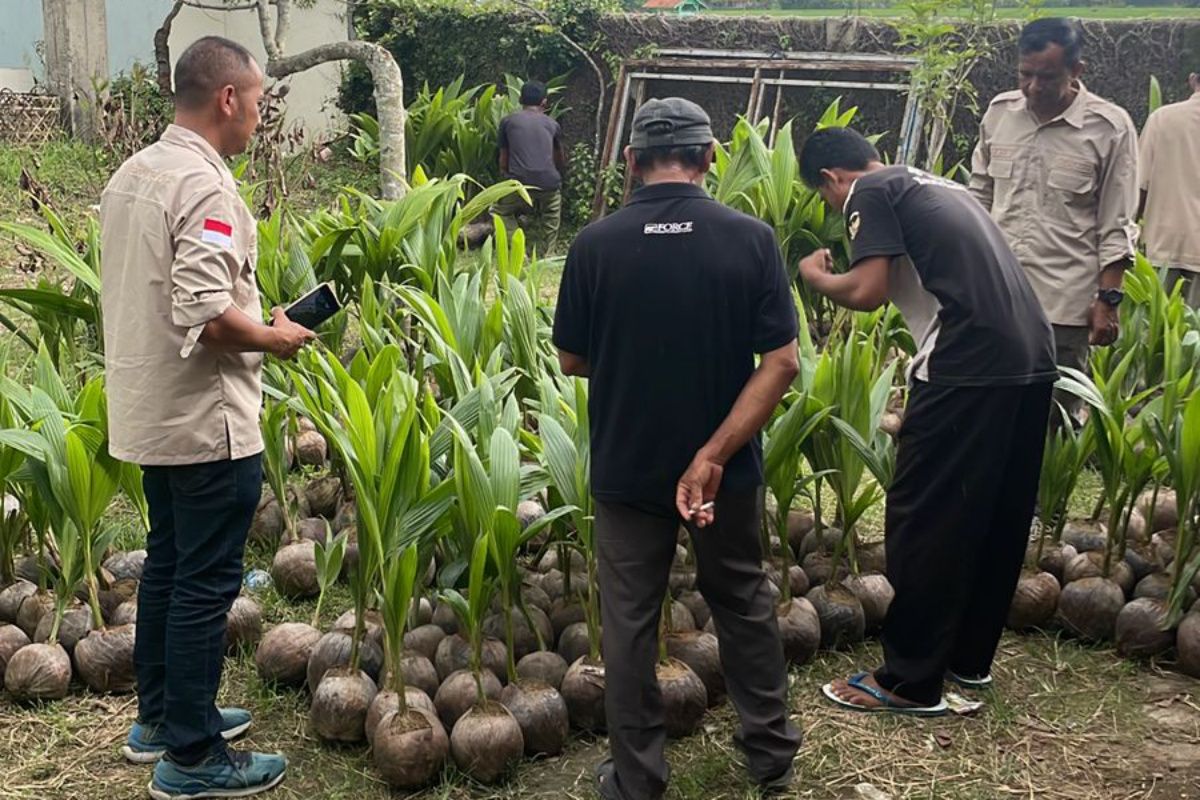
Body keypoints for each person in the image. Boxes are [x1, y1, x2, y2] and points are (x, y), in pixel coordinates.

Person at [552, 97, 802, 799]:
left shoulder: (594, 245)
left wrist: (639, 361)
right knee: (743, 599)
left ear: (630, 162)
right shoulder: (750, 239)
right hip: (725, 474)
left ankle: (637, 779)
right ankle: (771, 754)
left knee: (629, 622)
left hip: (629, 465)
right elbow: (781, 363)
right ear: (709, 156)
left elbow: (572, 358)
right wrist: (713, 454)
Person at [100, 36, 314, 800]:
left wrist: (259, 316)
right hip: (207, 420)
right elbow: (206, 314)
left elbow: (170, 293)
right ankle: (191, 757)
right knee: (204, 583)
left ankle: (161, 718)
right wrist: (276, 336)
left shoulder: (135, 173)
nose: (260, 115)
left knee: (168, 563)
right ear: (229, 97)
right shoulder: (204, 184)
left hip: (151, 410)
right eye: (258, 100)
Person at [797, 128, 1057, 714]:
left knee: (926, 516)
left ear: (832, 179)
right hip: (1033, 357)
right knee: (994, 513)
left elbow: (867, 290)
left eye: (826, 198)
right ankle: (967, 660)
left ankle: (908, 681)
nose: (836, 209)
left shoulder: (869, 189)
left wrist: (814, 276)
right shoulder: (939, 184)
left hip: (966, 360)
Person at [970, 17, 1138, 420]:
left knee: (1053, 421)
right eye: (1025, 75)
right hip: (997, 297)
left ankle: (1046, 486)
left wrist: (1108, 301)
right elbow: (978, 199)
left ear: (1076, 71)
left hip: (1064, 305)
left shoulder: (1109, 128)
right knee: (991, 414)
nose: (1033, 88)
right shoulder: (1000, 113)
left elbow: (1117, 223)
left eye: (1047, 77)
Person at [1138, 70, 1200, 308]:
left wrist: (1129, 236)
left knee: (1160, 333)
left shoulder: (1162, 119)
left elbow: (1139, 185)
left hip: (1166, 245)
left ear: (1192, 79)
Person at [495, 80, 566, 253]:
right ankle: (549, 254)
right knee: (551, 215)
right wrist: (557, 177)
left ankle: (520, 251)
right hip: (549, 182)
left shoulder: (507, 122)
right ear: (544, 102)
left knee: (500, 212)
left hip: (519, 182)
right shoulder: (552, 124)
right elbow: (560, 158)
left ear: (520, 99)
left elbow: (504, 158)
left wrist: (506, 177)